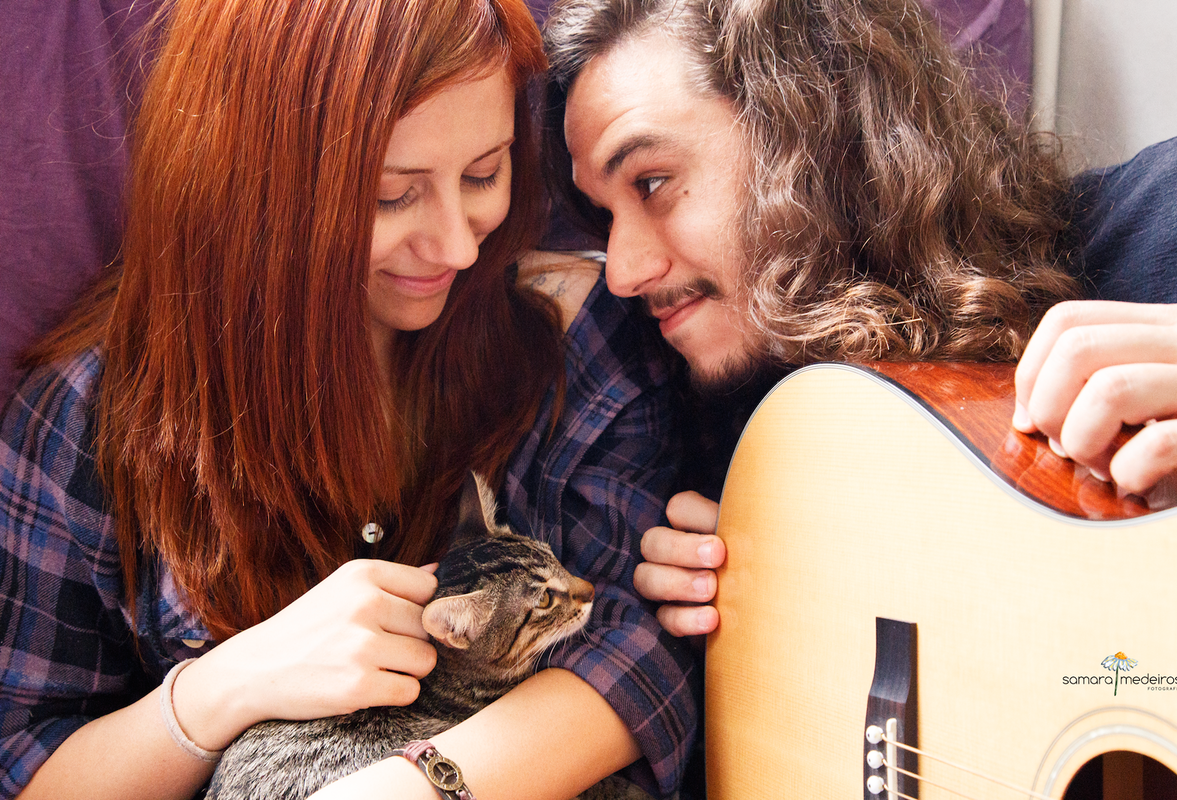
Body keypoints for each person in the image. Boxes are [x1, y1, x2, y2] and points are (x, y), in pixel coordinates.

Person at [0, 1, 698, 799]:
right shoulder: (90, 423)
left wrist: (420, 785)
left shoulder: (575, 334)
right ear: (254, 189)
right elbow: (28, 767)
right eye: (391, 195)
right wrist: (224, 689)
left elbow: (654, 644)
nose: (458, 246)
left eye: (483, 174)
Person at [539, 0, 1177, 638]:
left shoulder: (1172, 223)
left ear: (808, 126)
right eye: (603, 216)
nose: (623, 272)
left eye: (651, 184)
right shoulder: (705, 438)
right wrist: (740, 664)